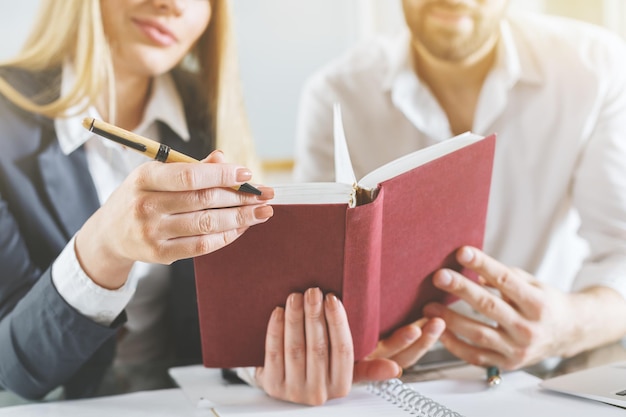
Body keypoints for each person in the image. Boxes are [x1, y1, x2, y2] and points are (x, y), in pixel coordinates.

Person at [0, 0, 409, 406]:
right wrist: (103, 247)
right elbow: (11, 368)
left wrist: (260, 367)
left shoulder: (207, 111)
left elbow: (222, 310)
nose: (172, 6)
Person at [294, 0, 626, 373]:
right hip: (387, 378)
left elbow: (622, 249)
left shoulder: (595, 67)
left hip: (550, 372)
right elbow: (314, 275)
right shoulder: (334, 93)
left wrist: (569, 325)